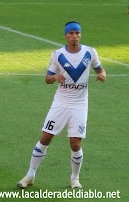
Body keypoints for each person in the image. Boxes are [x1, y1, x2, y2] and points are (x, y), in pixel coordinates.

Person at [17, 21, 106, 189]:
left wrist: (102, 75)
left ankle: (74, 178)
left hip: (80, 104)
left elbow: (100, 69)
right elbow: (47, 79)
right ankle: (30, 175)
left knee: (75, 142)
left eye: (77, 33)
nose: (75, 36)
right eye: (71, 33)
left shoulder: (90, 52)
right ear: (65, 35)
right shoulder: (58, 55)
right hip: (61, 103)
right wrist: (56, 77)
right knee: (45, 138)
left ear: (80, 35)